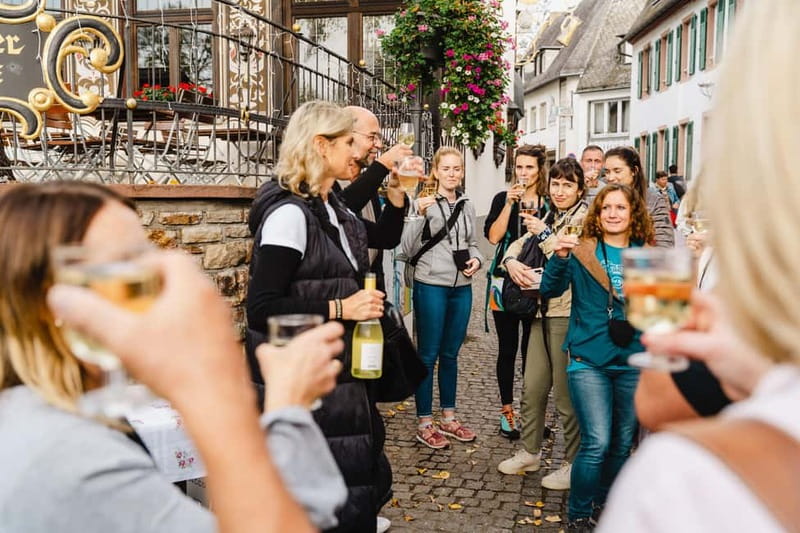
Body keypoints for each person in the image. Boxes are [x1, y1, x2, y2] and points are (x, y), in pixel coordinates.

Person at [0, 181, 347, 533]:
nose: (161, 281)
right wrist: (221, 389)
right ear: (53, 301)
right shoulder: (72, 459)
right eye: (126, 262)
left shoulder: (46, 415)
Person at [599, 3, 800, 530]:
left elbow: (662, 275)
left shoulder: (663, 214)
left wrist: (671, 285)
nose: (606, 182)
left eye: (615, 173)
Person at [246, 100, 403, 533]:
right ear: (321, 144)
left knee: (357, 483)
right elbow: (260, 309)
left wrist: (397, 198)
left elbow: (384, 236)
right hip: (307, 384)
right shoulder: (289, 215)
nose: (363, 151)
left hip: (340, 377)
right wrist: (341, 308)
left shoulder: (332, 205)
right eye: (351, 141)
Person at [539, 183, 654, 530]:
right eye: (607, 208)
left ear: (633, 214)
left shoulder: (648, 254)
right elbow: (549, 290)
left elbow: (664, 312)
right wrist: (559, 257)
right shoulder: (582, 251)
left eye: (621, 207)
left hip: (633, 358)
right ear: (598, 214)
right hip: (588, 358)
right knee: (598, 441)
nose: (613, 214)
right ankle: (579, 514)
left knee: (620, 444)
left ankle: (608, 505)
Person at [497, 158, 586, 490]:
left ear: (579, 189)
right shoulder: (552, 213)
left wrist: (546, 234)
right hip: (539, 312)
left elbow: (571, 259)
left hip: (566, 312)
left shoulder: (583, 217)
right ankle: (530, 451)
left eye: (567, 185)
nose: (560, 190)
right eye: (556, 184)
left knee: (565, 395)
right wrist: (510, 262)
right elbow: (519, 245)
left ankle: (573, 462)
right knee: (532, 386)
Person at [401, 146, 484, 449]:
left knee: (451, 354)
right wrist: (416, 216)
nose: (452, 174)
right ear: (435, 172)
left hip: (461, 286)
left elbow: (473, 243)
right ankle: (424, 421)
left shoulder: (468, 204)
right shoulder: (423, 203)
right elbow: (408, 248)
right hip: (431, 285)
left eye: (457, 169)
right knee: (427, 355)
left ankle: (449, 418)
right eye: (446, 168)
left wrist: (478, 260)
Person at [483, 144, 548, 439]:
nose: (523, 173)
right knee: (507, 350)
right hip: (503, 281)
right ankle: (506, 412)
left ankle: (532, 414)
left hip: (538, 283)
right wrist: (509, 204)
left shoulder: (549, 203)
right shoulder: (501, 198)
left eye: (529, 167)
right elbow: (493, 237)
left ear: (540, 169)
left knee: (534, 353)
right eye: (519, 167)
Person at [339, 106, 412, 291]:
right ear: (347, 136)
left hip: (370, 290)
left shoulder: (368, 184)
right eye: (372, 137)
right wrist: (383, 164)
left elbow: (385, 239)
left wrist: (396, 197)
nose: (379, 145)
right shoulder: (327, 185)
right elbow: (341, 210)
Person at [604, 146, 673, 247]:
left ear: (634, 171)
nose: (610, 177)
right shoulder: (602, 198)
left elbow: (664, 244)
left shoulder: (653, 200)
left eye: (617, 171)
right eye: (607, 172)